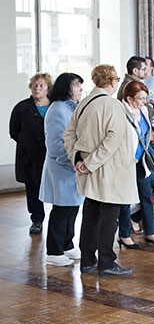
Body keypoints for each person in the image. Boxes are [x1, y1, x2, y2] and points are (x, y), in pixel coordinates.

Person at [64, 64, 138, 277]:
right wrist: (90, 162)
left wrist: (78, 158)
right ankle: (107, 262)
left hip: (90, 170)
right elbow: (113, 140)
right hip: (110, 170)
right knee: (109, 217)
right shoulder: (113, 105)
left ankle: (88, 261)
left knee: (91, 215)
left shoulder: (83, 103)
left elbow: (69, 135)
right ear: (114, 82)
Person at [39, 73, 84, 266]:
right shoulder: (57, 109)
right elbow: (56, 145)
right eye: (77, 85)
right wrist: (73, 162)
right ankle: (54, 251)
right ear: (67, 88)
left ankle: (67, 244)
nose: (80, 89)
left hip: (72, 168)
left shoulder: (71, 107)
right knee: (61, 210)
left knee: (72, 208)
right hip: (62, 167)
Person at [118, 81, 154, 249]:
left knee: (146, 195)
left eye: (146, 98)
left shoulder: (144, 110)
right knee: (125, 200)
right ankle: (124, 235)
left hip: (141, 161)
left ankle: (151, 232)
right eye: (140, 98)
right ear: (129, 98)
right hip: (126, 162)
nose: (144, 102)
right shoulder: (121, 113)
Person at [9, 72, 52, 234]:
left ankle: (57, 221)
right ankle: (37, 220)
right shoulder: (22, 107)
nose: (37, 88)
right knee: (33, 189)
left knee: (53, 187)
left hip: (51, 156)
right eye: (34, 85)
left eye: (41, 85)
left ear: (48, 88)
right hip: (29, 157)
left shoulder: (55, 105)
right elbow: (14, 132)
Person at [119, 56, 154, 125]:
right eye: (143, 69)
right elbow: (141, 110)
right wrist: (152, 105)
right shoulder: (131, 87)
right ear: (135, 71)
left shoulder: (131, 84)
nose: (145, 71)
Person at [143, 56, 154, 124]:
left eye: (146, 64)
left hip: (149, 117)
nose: (143, 66)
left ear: (151, 68)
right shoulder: (140, 80)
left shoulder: (152, 82)